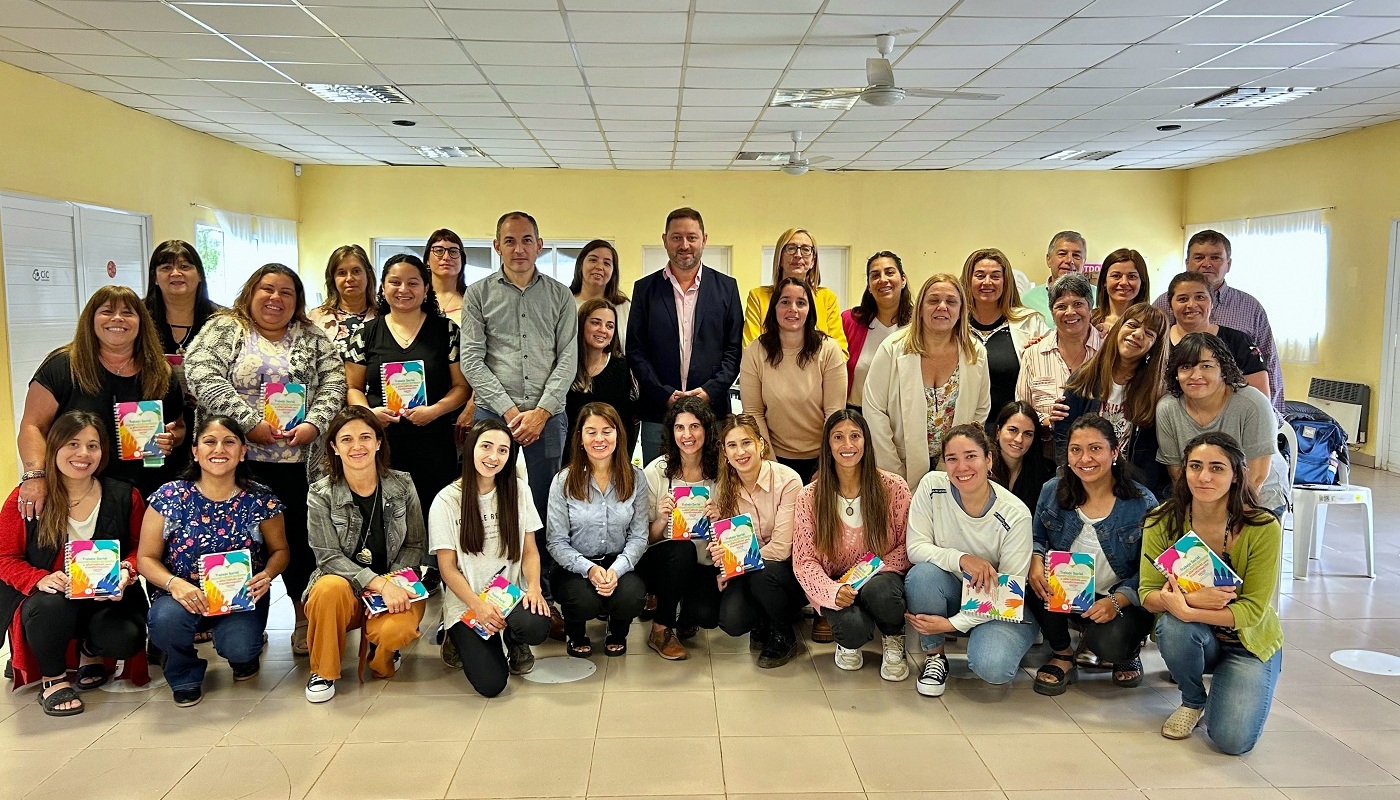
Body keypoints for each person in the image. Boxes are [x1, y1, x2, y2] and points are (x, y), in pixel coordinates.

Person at [185, 264, 347, 656]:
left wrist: (313, 424)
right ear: (251, 292)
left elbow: (335, 382)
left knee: (299, 542)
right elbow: (201, 374)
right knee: (237, 539)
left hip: (298, 464)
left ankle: (304, 618)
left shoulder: (311, 335)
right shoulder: (225, 328)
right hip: (234, 463)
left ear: (297, 301)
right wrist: (249, 423)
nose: (276, 298)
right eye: (267, 289)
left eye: (286, 292)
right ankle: (238, 616)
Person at [1141, 432, 1283, 755]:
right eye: (1195, 466)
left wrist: (1187, 608)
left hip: (1247, 643)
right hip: (1195, 636)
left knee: (1232, 741)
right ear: (1184, 471)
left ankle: (1231, 681)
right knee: (1173, 627)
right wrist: (1190, 603)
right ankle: (1193, 700)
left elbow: (1252, 611)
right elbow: (1147, 594)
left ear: (1237, 475)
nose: (1204, 477)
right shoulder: (1162, 520)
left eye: (1217, 468)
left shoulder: (1262, 527)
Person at [0, 411, 148, 715]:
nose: (83, 454)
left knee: (127, 636)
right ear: (53, 447)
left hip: (104, 596)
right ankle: (53, 680)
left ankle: (89, 651)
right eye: (73, 444)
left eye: (93, 446)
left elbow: (139, 548)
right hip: (50, 599)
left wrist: (127, 569)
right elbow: (4, 557)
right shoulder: (26, 497)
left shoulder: (126, 495)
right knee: (50, 607)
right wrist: (37, 578)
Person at [139, 416, 290, 707]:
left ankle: (244, 656)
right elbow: (145, 558)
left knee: (240, 646)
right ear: (195, 451)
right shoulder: (170, 496)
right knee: (165, 621)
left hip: (241, 596)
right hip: (181, 594)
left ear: (242, 451)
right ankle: (184, 671)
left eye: (229, 442)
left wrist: (268, 575)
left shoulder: (260, 499)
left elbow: (281, 551)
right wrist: (174, 584)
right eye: (210, 442)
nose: (219, 449)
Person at [460, 211, 577, 555]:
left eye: (527, 240)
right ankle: (495, 568)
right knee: (489, 496)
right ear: (497, 246)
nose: (519, 249)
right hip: (493, 415)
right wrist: (509, 412)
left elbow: (568, 358)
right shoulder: (478, 294)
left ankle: (543, 575)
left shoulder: (560, 296)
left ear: (539, 245)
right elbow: (471, 360)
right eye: (509, 241)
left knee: (546, 500)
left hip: (548, 418)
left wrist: (541, 412)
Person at [19, 285, 185, 511]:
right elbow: (33, 426)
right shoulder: (63, 366)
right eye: (107, 311)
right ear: (91, 319)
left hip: (144, 493)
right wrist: (35, 476)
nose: (117, 318)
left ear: (141, 322)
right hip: (75, 493)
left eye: (127, 313)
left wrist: (170, 438)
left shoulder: (159, 371)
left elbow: (179, 426)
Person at [303, 407, 426, 703]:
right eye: (346, 439)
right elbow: (327, 556)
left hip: (395, 580)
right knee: (328, 588)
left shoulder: (403, 484)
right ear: (334, 447)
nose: (357, 446)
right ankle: (323, 671)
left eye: (365, 437)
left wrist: (391, 585)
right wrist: (377, 584)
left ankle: (383, 655)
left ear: (378, 442)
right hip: (345, 586)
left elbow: (415, 544)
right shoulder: (320, 493)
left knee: (397, 629)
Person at [1027, 415, 1156, 696]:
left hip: (1119, 598)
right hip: (1064, 595)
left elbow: (1152, 569)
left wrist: (1118, 600)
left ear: (1115, 451)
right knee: (1031, 580)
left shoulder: (1142, 502)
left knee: (1110, 645)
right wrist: (1036, 559)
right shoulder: (1052, 490)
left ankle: (1127, 650)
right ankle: (1062, 653)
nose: (1085, 459)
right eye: (1076, 450)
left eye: (1095, 448)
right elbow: (1037, 537)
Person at [903, 425, 1036, 696]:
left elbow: (1009, 592)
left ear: (989, 459)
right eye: (952, 458)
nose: (961, 467)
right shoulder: (931, 486)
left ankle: (1000, 636)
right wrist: (962, 559)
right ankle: (935, 658)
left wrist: (954, 624)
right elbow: (915, 548)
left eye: (971, 456)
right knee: (922, 575)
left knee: (993, 668)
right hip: (953, 591)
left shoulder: (1015, 514)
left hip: (1000, 605)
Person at [345, 253, 469, 529]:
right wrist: (369, 414)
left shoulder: (447, 330)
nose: (404, 289)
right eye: (395, 282)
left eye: (413, 283)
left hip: (434, 441)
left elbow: (462, 387)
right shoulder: (365, 334)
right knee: (387, 519)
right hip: (382, 443)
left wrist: (435, 410)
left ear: (426, 288)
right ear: (383, 287)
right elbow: (353, 387)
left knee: (435, 517)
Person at [430, 418, 552, 697]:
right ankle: (456, 638)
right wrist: (479, 607)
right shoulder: (446, 501)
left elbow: (530, 550)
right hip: (469, 601)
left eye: (503, 450)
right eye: (486, 447)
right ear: (471, 448)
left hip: (510, 594)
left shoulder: (518, 490)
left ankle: (515, 639)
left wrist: (534, 588)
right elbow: (447, 569)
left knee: (536, 626)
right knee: (492, 684)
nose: (493, 457)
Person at [793, 410, 911, 681]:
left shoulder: (894, 488)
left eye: (855, 436)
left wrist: (866, 575)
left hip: (881, 576)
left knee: (881, 593)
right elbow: (804, 560)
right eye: (838, 437)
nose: (847, 445)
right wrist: (832, 591)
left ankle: (893, 636)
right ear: (828, 444)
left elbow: (907, 546)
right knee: (853, 629)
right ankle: (850, 639)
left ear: (866, 441)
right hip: (835, 584)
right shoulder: (809, 497)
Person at [628, 207, 743, 465]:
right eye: (676, 237)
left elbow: (734, 350)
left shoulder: (726, 288)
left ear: (704, 239)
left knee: (714, 481)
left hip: (711, 412)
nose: (684, 245)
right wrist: (663, 393)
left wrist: (710, 391)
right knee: (659, 480)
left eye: (692, 237)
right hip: (658, 413)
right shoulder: (645, 289)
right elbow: (636, 349)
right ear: (665, 240)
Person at [864, 274, 990, 489]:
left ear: (961, 310)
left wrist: (953, 463)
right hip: (898, 465)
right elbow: (874, 410)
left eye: (951, 301)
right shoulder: (892, 348)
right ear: (920, 307)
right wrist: (894, 472)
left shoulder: (975, 352)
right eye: (933, 300)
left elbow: (980, 409)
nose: (942, 307)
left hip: (954, 468)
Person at [546, 402, 648, 657]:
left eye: (607, 431)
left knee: (632, 596)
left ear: (618, 435)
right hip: (575, 565)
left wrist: (617, 569)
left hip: (618, 561)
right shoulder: (563, 481)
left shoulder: (636, 478)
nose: (599, 439)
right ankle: (576, 634)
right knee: (583, 601)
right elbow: (556, 541)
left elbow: (639, 536)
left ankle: (618, 632)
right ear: (580, 438)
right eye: (591, 432)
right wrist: (589, 569)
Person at [709, 415, 806, 668]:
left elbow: (781, 549)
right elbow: (729, 541)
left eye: (746, 443)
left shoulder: (788, 481)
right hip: (751, 569)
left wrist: (737, 565)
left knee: (764, 574)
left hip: (788, 570)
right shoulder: (723, 488)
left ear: (761, 444)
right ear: (724, 452)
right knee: (732, 621)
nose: (740, 452)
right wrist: (721, 556)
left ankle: (783, 633)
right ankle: (765, 616)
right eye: (732, 445)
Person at [1156, 333, 1290, 516]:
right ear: (1176, 374)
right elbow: (1177, 473)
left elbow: (1257, 476)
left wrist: (1225, 518)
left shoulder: (1252, 403)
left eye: (1206, 366)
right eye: (1186, 367)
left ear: (1224, 371)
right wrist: (1200, 514)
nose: (1196, 375)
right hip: (1201, 498)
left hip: (1257, 497)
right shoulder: (1167, 408)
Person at [1153, 229, 1284, 415]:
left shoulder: (1250, 307)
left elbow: (1269, 362)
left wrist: (1273, 415)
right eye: (1199, 257)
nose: (1206, 264)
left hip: (1232, 417)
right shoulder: (1162, 304)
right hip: (1170, 416)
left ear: (1228, 264)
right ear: (1187, 262)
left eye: (1215, 257)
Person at [1053, 303, 1170, 497]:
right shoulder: (1084, 378)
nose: (1138, 334)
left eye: (1149, 333)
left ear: (1154, 346)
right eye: (1132, 325)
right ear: (1118, 328)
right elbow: (1063, 435)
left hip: (1130, 490)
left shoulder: (1156, 393)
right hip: (1081, 481)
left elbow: (1152, 459)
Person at [739, 277, 847, 483]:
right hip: (773, 457)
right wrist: (771, 465)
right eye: (785, 302)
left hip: (822, 458)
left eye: (801, 302)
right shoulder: (755, 351)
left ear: (810, 310)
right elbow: (753, 412)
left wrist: (825, 465)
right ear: (774, 308)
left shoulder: (829, 350)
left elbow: (834, 413)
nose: (793, 309)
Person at [638, 397, 719, 661]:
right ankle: (660, 628)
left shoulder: (721, 471)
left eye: (695, 426)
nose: (687, 435)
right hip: (664, 560)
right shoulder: (656, 471)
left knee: (707, 615)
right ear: (671, 432)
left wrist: (719, 519)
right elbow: (644, 539)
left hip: (704, 561)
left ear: (707, 429)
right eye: (679, 427)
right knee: (682, 550)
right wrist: (662, 519)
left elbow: (732, 534)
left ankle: (687, 612)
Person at [144, 239, 223, 473]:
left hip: (211, 424)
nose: (175, 273)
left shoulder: (222, 320)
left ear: (199, 275)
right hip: (153, 426)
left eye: (185, 266)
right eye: (166, 267)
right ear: (154, 277)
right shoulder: (138, 317)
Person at [962, 248, 1049, 431]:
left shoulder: (1030, 322)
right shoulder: (954, 325)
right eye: (980, 275)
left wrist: (1039, 351)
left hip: (1013, 431)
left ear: (1006, 281)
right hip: (965, 428)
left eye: (995, 276)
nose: (987, 282)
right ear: (968, 280)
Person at [1016, 273, 1103, 429]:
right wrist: (1047, 420)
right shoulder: (1033, 355)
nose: (1070, 312)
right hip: (1047, 441)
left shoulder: (1109, 352)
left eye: (1078, 304)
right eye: (1061, 306)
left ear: (1090, 308)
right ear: (1051, 312)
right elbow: (1022, 409)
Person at [1165, 271, 1270, 399]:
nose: (1191, 305)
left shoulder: (1239, 341)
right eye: (1182, 299)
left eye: (1200, 297)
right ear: (1170, 305)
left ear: (1212, 302)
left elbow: (1260, 400)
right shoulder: (1157, 342)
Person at [743, 228, 846, 352]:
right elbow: (751, 350)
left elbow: (840, 352)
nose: (798, 255)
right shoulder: (758, 297)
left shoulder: (827, 298)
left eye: (806, 249)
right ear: (780, 258)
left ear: (813, 261)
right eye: (791, 248)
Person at [842, 251, 912, 413]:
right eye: (875, 275)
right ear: (869, 286)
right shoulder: (849, 321)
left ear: (903, 280)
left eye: (889, 272)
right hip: (856, 416)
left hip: (902, 417)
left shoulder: (919, 325)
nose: (883, 279)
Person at [567, 298, 638, 457]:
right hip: (570, 457)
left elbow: (627, 423)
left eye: (609, 326)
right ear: (581, 324)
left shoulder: (622, 367)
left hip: (609, 457)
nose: (603, 330)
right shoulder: (566, 365)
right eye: (595, 323)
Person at [308, 244, 378, 356]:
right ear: (333, 279)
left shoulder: (384, 317)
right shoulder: (315, 318)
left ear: (368, 275)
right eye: (341, 273)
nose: (349, 278)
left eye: (356, 271)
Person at [989, 400, 1054, 513]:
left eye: (1028, 434)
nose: (1019, 439)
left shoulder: (1047, 473)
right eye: (1013, 430)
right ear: (998, 431)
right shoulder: (982, 469)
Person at [569, 239, 630, 349]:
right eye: (593, 260)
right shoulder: (566, 303)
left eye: (606, 263)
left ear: (613, 272)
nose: (599, 267)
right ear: (580, 265)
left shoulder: (624, 307)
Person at [1024, 231, 1093, 325]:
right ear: (1048, 259)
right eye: (1062, 254)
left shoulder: (1100, 297)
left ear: (1084, 262)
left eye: (1076, 255)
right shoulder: (1027, 300)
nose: (1069, 260)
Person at [1092, 248, 1150, 334]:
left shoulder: (1153, 323)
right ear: (1104, 281)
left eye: (1132, 276)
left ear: (1142, 282)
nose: (1124, 282)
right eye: (1116, 276)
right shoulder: (1089, 320)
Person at [425, 228, 466, 320]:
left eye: (453, 251)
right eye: (439, 251)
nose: (446, 257)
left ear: (462, 260)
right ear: (427, 259)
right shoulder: (416, 298)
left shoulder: (474, 299)